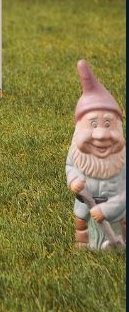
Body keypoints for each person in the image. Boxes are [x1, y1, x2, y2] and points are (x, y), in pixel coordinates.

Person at [66, 60, 126, 250]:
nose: (100, 134)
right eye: (93, 124)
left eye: (108, 124)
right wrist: (73, 180)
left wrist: (107, 209)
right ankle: (83, 242)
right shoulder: (76, 153)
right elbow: (70, 167)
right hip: (86, 201)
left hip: (114, 205)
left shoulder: (122, 159)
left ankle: (122, 242)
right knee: (81, 221)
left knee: (123, 221)